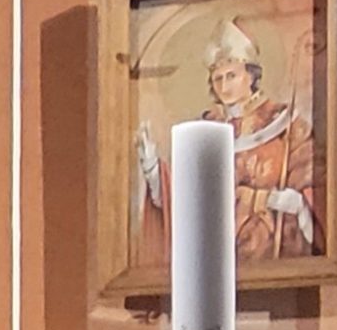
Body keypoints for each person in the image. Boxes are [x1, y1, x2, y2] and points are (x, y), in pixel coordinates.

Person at [135, 20, 319, 266]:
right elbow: (181, 202)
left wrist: (292, 201)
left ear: (251, 75)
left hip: (276, 255)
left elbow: (313, 187)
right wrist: (153, 169)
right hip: (215, 259)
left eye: (231, 76)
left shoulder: (287, 123)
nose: (224, 86)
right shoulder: (204, 129)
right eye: (217, 78)